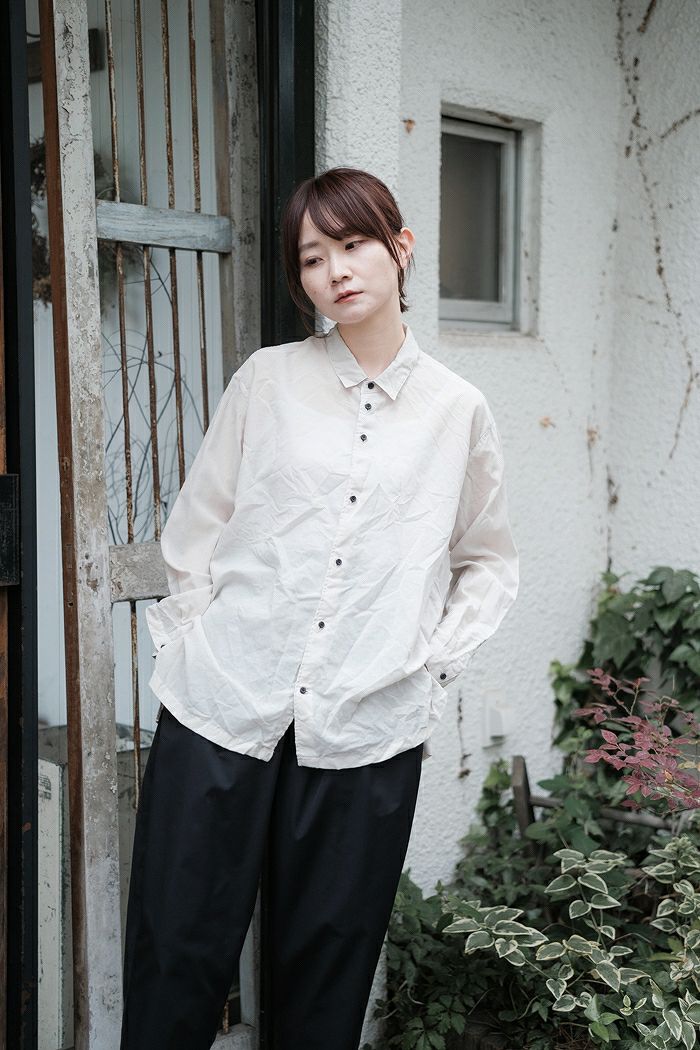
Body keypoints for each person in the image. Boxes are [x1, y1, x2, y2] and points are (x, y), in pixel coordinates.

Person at [119, 166, 519, 1050]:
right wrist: (192, 647)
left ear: (400, 248)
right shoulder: (268, 380)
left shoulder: (457, 411)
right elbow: (195, 531)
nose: (334, 270)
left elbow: (488, 561)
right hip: (222, 709)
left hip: (366, 729)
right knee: (173, 958)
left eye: (352, 244)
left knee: (325, 984)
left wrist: (427, 668)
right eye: (310, 257)